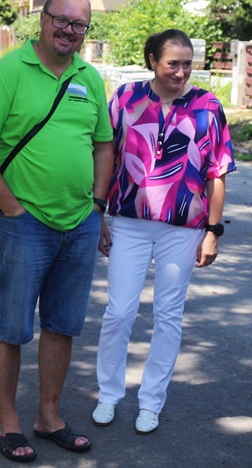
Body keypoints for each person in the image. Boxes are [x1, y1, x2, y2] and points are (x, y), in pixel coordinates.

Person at [0, 0, 114, 464]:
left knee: (62, 325)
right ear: (42, 19)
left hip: (79, 223)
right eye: (61, 20)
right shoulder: (9, 71)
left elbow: (103, 145)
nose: (69, 30)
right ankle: (9, 421)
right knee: (10, 326)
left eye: (79, 24)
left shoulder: (90, 78)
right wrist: (9, 207)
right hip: (24, 223)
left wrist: (97, 206)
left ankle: (49, 416)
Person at [92, 29, 235, 435]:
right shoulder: (126, 97)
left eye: (188, 64)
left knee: (168, 315)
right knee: (119, 312)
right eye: (173, 63)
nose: (181, 72)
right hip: (129, 222)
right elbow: (105, 154)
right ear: (153, 61)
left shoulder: (208, 105)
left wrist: (213, 231)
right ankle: (108, 395)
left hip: (183, 229)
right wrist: (97, 212)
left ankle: (151, 402)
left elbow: (217, 172)